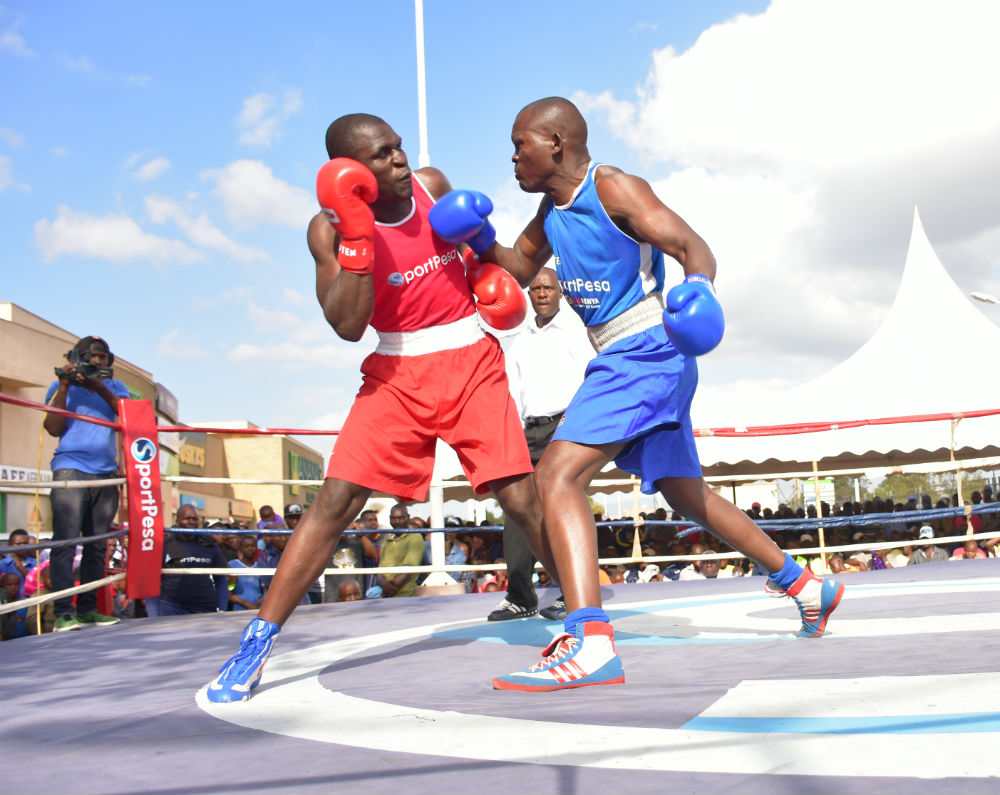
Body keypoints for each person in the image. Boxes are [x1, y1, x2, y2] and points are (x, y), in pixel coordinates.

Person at [431, 97, 845, 691]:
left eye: (520, 143)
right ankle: (806, 585)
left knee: (556, 476)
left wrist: (699, 288)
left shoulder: (615, 189)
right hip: (626, 354)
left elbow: (691, 246)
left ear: (555, 143)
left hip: (648, 347)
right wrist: (475, 237)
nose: (513, 156)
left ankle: (590, 643)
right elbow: (517, 266)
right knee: (685, 495)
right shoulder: (552, 210)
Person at [206, 112, 555, 703]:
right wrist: (359, 237)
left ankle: (583, 619)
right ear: (348, 172)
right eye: (382, 154)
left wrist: (484, 263)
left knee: (520, 495)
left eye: (398, 147)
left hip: (469, 356)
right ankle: (257, 641)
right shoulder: (328, 229)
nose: (398, 160)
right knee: (335, 501)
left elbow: (488, 263)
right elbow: (346, 324)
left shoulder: (432, 186)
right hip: (395, 370)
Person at [487, 266, 593, 623]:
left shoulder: (577, 332)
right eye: (535, 288)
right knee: (517, 509)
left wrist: (575, 423)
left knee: (559, 506)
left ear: (560, 292)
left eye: (548, 287)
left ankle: (572, 594)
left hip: (565, 426)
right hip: (526, 431)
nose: (542, 293)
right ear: (528, 295)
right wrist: (512, 432)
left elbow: (591, 380)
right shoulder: (520, 340)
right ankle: (520, 596)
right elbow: (513, 392)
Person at [43, 335, 129, 632]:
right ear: (78, 357)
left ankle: (89, 609)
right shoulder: (59, 386)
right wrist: (66, 385)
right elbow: (53, 428)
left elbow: (130, 417)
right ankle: (63, 612)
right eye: (91, 356)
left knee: (96, 545)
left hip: (106, 473)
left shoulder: (116, 388)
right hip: (71, 470)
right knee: (66, 541)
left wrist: (100, 387)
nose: (97, 361)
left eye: (102, 357)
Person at [152, 505, 230, 616]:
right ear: (178, 521)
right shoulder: (166, 545)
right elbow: (153, 580)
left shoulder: (209, 544)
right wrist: (154, 614)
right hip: (172, 607)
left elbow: (221, 578)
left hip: (205, 608)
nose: (191, 522)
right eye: (187, 519)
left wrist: (222, 608)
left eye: (194, 519)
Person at [284, 504, 322, 604]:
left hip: (311, 585)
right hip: (290, 586)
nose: (295, 522)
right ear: (286, 519)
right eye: (291, 518)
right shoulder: (281, 537)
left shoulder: (311, 534)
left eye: (298, 518)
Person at [228, 536, 264, 611]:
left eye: (253, 546)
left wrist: (257, 604)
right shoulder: (232, 565)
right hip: (238, 610)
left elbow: (265, 590)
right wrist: (246, 603)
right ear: (240, 548)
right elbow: (228, 591)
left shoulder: (260, 566)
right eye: (246, 546)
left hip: (257, 609)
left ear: (257, 548)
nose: (250, 549)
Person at [0, 529, 36, 597]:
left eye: (25, 543)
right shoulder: (2, 566)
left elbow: (37, 583)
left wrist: (20, 567)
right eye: (18, 544)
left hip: (32, 603)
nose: (22, 546)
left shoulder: (36, 564)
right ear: (9, 545)